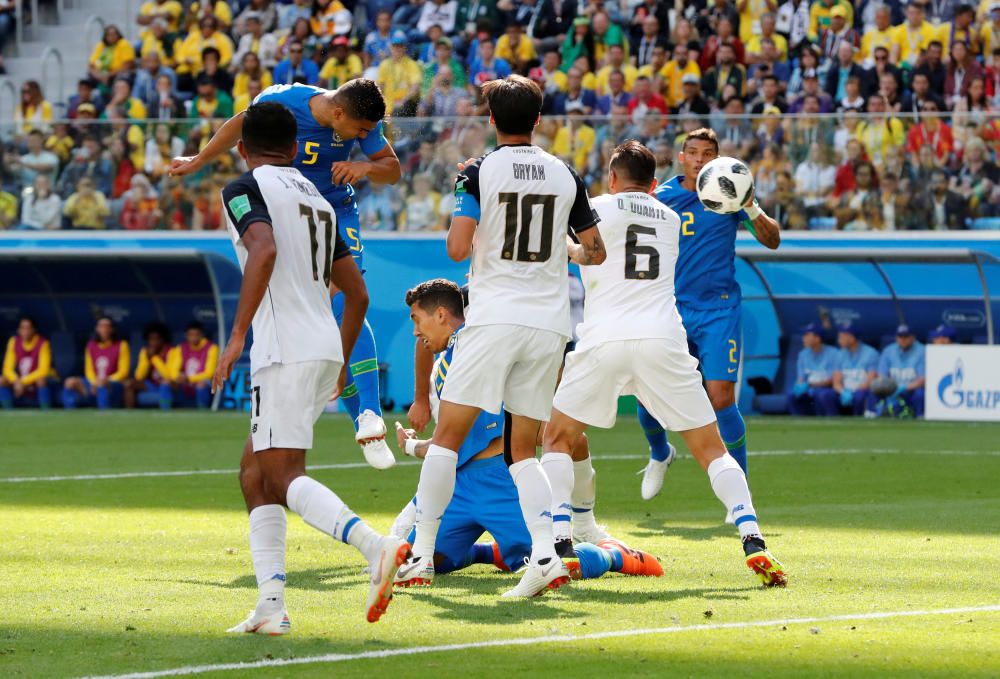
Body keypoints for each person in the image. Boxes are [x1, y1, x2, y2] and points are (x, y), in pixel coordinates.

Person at [395, 75, 606, 598]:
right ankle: (545, 558)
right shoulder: (566, 174)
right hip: (549, 324)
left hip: (495, 318)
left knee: (445, 439)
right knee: (523, 450)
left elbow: (457, 249)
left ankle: (420, 554)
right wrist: (567, 252)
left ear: (491, 120)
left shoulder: (478, 170)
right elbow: (595, 250)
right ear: (538, 120)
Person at [543, 141, 786, 588]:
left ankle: (560, 542)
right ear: (655, 185)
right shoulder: (671, 218)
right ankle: (752, 535)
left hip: (605, 339)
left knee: (557, 438)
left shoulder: (594, 207)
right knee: (711, 448)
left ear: (611, 178)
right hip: (664, 339)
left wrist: (567, 247)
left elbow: (571, 242)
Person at [216, 102, 407, 634]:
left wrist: (235, 337)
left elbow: (264, 248)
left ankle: (375, 547)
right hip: (323, 341)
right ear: (299, 149)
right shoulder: (320, 201)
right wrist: (342, 358)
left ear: (242, 148)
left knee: (281, 474)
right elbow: (359, 293)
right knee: (254, 474)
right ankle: (271, 606)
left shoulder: (243, 189)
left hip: (284, 347)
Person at [170, 79, 402, 469]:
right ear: (339, 113)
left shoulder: (361, 119)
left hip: (336, 211)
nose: (364, 136)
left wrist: (365, 166)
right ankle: (351, 413)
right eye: (360, 131)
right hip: (291, 207)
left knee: (347, 295)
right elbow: (241, 124)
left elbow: (391, 169)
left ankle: (369, 415)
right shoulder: (286, 101)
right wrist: (199, 159)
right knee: (318, 307)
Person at [392, 278, 662, 581]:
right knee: (428, 559)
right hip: (460, 484)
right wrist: (412, 444)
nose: (416, 332)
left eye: (417, 320)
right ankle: (491, 552)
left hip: (501, 478)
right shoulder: (450, 357)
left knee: (553, 564)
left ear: (442, 314)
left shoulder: (488, 348)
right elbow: (453, 440)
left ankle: (614, 556)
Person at [638, 127, 780, 506]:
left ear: (717, 159)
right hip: (670, 309)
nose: (700, 159)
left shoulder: (729, 194)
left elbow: (772, 238)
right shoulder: (661, 198)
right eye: (693, 152)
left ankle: (741, 495)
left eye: (708, 153)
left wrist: (750, 205)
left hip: (718, 309)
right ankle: (659, 452)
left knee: (720, 398)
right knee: (648, 395)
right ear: (681, 157)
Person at [62, 316, 130, 409]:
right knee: (69, 382)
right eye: (101, 326)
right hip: (94, 382)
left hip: (113, 383)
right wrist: (94, 382)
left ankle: (103, 413)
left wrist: (107, 380)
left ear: (112, 329)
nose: (104, 329)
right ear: (97, 329)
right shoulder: (91, 345)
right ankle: (69, 414)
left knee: (102, 383)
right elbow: (89, 370)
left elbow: (123, 372)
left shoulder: (122, 345)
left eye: (107, 326)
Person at [0, 316, 55, 410]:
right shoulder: (13, 342)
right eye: (22, 328)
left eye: (28, 328)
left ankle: (46, 410)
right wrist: (16, 381)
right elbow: (7, 368)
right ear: (18, 330)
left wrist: (22, 382)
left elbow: (43, 370)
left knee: (41, 380)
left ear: (34, 330)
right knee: (2, 380)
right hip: (20, 381)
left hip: (40, 380)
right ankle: (8, 411)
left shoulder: (43, 343)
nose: (25, 331)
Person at [872, 324, 926, 418]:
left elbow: (923, 379)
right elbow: (881, 376)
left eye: (906, 336)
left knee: (920, 393)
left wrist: (904, 387)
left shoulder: (922, 351)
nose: (903, 339)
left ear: (912, 338)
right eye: (900, 336)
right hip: (891, 389)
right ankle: (873, 415)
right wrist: (889, 389)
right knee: (875, 389)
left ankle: (920, 416)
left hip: (912, 389)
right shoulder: (888, 351)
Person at [162, 321, 218, 408]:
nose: (194, 337)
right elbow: (173, 370)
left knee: (201, 384)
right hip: (184, 384)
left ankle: (202, 413)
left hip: (203, 384)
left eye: (196, 334)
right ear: (186, 335)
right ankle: (164, 413)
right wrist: (178, 376)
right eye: (191, 335)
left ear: (202, 335)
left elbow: (209, 373)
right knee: (166, 382)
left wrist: (189, 379)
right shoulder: (181, 348)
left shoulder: (211, 348)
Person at [788, 322, 840, 416]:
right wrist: (800, 385)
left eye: (807, 335)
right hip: (809, 389)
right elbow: (801, 378)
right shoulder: (803, 354)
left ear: (817, 338)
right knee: (792, 396)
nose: (804, 338)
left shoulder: (834, 353)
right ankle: (798, 424)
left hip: (827, 389)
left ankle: (832, 420)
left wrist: (809, 384)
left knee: (821, 394)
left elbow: (832, 380)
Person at [832, 322, 879, 416]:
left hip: (862, 390)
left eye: (842, 337)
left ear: (852, 338)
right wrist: (843, 391)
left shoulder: (870, 353)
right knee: (826, 395)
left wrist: (853, 391)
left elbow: (870, 381)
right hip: (844, 391)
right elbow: (836, 383)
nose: (839, 340)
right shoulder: (839, 354)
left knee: (859, 396)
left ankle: (858, 421)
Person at [126, 322, 173, 409]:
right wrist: (147, 359)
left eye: (156, 339)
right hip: (150, 384)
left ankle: (166, 411)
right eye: (150, 339)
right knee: (130, 384)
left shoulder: (171, 351)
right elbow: (139, 376)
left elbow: (168, 375)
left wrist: (154, 358)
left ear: (163, 339)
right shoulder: (145, 351)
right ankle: (130, 413)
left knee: (166, 383)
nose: (153, 342)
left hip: (166, 384)